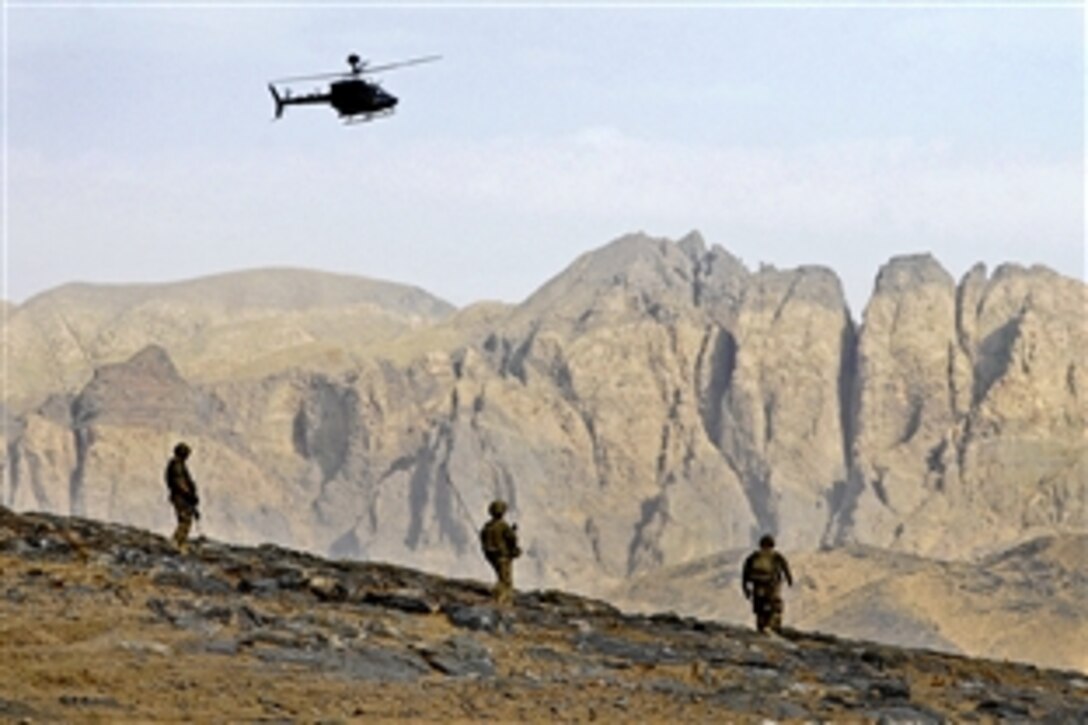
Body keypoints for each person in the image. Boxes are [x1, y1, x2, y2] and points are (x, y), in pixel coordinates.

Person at [742, 534, 793, 634]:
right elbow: (785, 568)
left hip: (758, 586)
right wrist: (789, 580)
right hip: (772, 586)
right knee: (775, 607)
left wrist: (746, 589)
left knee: (760, 608)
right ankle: (774, 628)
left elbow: (745, 574)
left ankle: (761, 628)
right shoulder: (776, 556)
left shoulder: (753, 557)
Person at [479, 500, 520, 604]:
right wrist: (514, 549)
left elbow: (483, 538)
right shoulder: (503, 525)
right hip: (503, 555)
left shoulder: (487, 526)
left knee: (500, 576)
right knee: (506, 580)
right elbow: (512, 538)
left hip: (491, 555)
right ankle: (502, 600)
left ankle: (498, 598)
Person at [164, 442, 200, 553]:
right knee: (185, 520)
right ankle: (177, 542)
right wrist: (189, 495)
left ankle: (180, 543)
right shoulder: (177, 465)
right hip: (180, 497)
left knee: (186, 520)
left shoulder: (179, 464)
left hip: (182, 497)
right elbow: (180, 483)